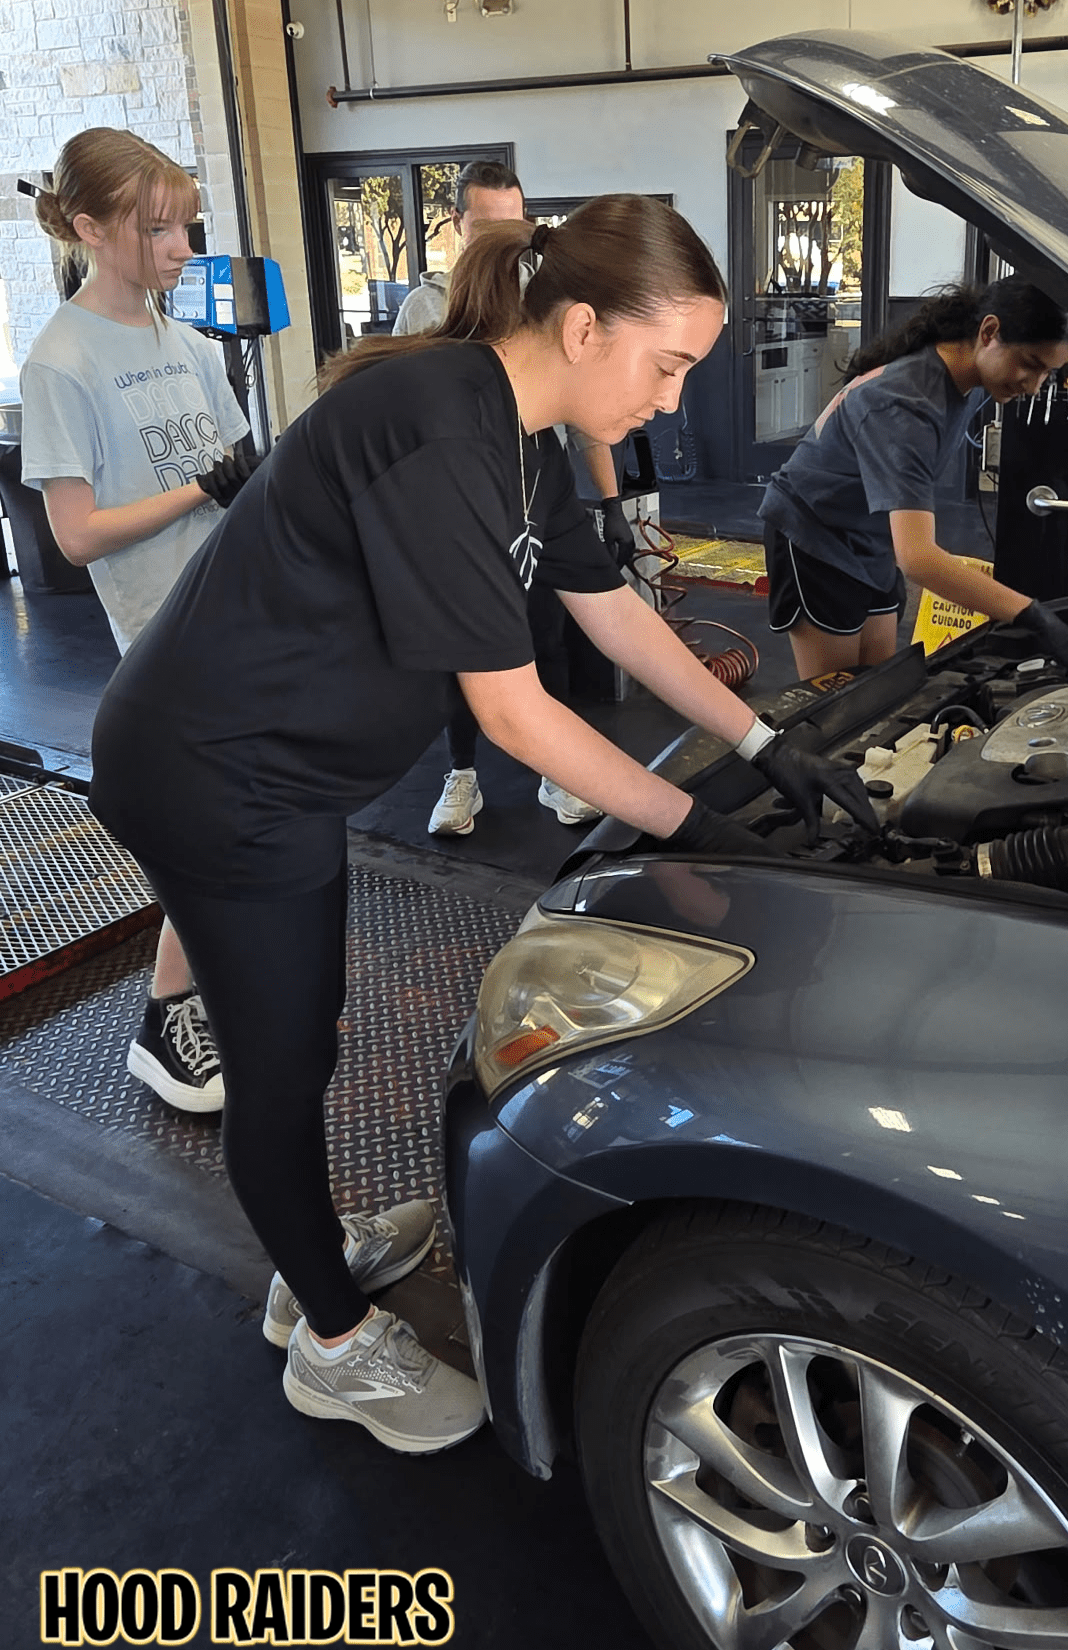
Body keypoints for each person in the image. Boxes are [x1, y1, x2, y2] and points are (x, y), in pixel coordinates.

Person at [88, 198, 877, 1454]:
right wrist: (696, 827)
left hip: (278, 775)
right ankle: (332, 1342)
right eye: (667, 366)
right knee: (280, 1061)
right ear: (580, 326)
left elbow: (610, 609)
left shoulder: (527, 437)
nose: (674, 402)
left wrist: (766, 743)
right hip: (217, 776)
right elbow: (512, 716)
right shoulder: (436, 427)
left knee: (306, 1024)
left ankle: (317, 1248)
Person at [20, 129, 253, 1118]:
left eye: (186, 225)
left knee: (239, 834)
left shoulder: (191, 346)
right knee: (205, 838)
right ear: (88, 228)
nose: (181, 246)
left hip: (240, 623)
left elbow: (244, 489)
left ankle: (199, 994)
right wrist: (196, 486)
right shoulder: (63, 361)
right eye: (157, 227)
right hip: (162, 641)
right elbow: (75, 536)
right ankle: (166, 1017)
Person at [394, 161, 637, 833]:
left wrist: (611, 503)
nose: (505, 239)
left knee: (546, 634)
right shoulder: (426, 309)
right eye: (488, 226)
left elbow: (584, 409)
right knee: (462, 650)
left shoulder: (547, 302)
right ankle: (461, 777)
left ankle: (559, 776)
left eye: (516, 225)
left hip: (538, 484)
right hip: (459, 502)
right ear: (458, 225)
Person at [758, 277, 1068, 681]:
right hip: (814, 534)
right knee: (838, 704)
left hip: (871, 537)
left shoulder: (963, 377)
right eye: (1031, 365)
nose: (1035, 387)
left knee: (878, 687)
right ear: (989, 332)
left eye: (1048, 374)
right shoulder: (904, 403)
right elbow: (918, 557)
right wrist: (1030, 613)